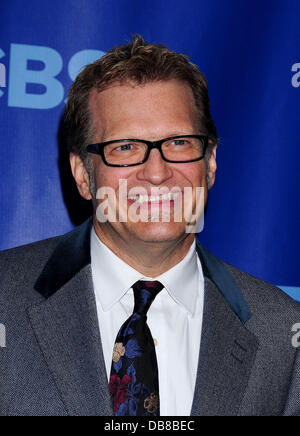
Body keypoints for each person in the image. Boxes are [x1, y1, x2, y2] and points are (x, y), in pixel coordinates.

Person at [0, 35, 299, 417]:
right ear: (82, 174)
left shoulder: (284, 334)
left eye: (178, 142)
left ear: (209, 164)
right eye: (125, 147)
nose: (157, 173)